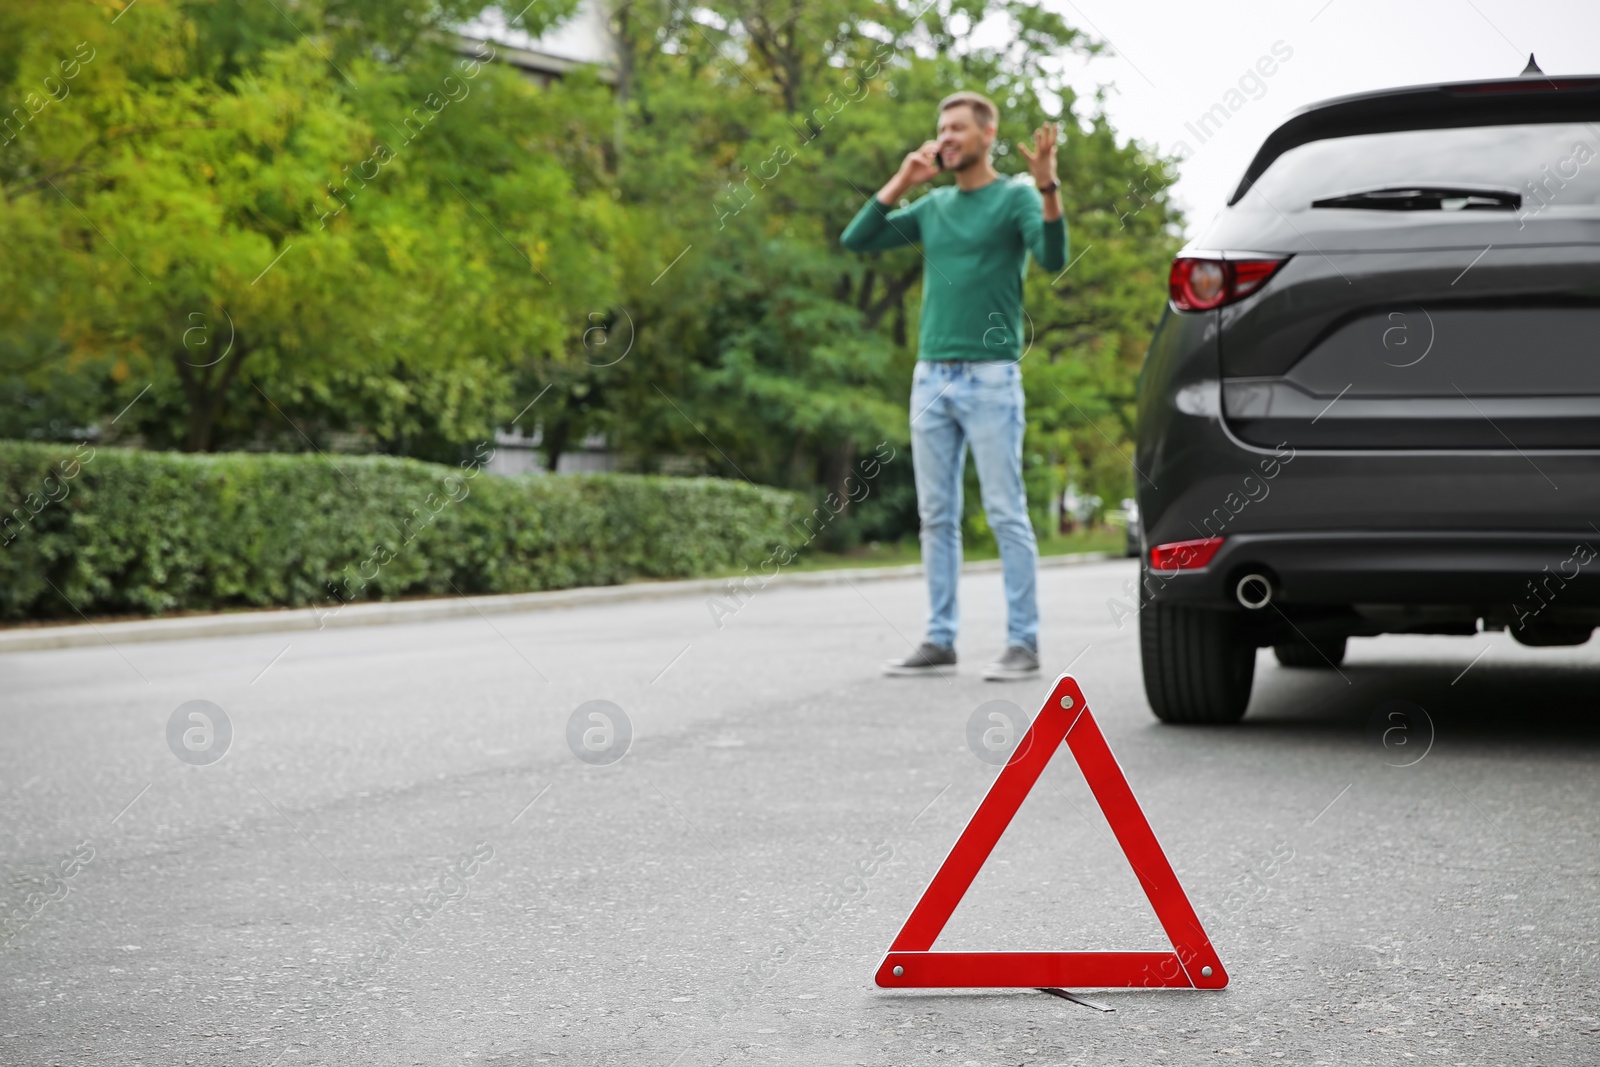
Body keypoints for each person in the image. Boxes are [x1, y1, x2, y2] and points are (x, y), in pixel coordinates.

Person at [840, 91, 1067, 681]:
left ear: (986, 135)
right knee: (936, 516)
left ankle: (1024, 642)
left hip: (991, 376)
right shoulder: (933, 206)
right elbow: (857, 240)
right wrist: (904, 178)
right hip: (931, 376)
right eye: (941, 128)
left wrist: (1048, 187)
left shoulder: (1015, 196)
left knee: (1004, 510)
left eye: (958, 128)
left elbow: (1054, 257)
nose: (946, 137)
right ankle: (939, 639)